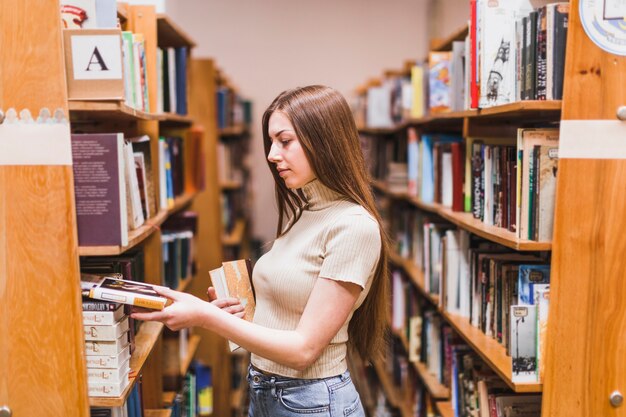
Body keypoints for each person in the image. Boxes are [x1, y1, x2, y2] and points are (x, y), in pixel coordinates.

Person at [132, 85, 389, 417]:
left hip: (311, 401)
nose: (271, 155)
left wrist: (205, 317)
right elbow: (291, 309)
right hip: (265, 391)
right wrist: (242, 314)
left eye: (284, 141)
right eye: (271, 142)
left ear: (323, 139)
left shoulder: (353, 225)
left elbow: (304, 349)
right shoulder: (305, 211)